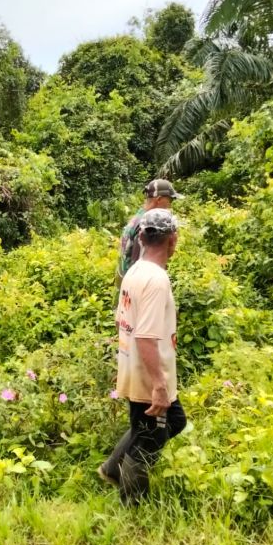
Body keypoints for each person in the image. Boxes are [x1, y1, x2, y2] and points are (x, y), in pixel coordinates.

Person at [99, 208, 186, 503]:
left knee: (174, 420)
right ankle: (133, 504)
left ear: (142, 236)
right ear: (172, 240)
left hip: (135, 365)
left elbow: (124, 320)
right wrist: (159, 384)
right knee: (150, 436)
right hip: (148, 371)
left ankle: (112, 468)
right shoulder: (156, 280)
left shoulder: (135, 270)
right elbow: (146, 336)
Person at [116, 179, 182, 285]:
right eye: (170, 200)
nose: (170, 205)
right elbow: (139, 269)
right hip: (136, 291)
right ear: (159, 199)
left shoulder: (138, 218)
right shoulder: (146, 225)